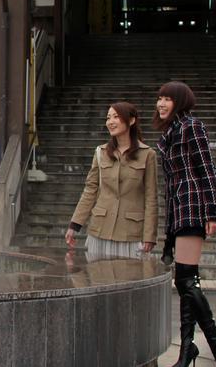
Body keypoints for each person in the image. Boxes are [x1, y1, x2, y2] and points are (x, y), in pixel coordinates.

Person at [155, 81, 216, 367]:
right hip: (178, 210)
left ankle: (215, 344)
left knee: (187, 281)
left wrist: (212, 212)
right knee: (185, 281)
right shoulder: (168, 134)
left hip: (193, 207)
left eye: (167, 99)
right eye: (160, 99)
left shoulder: (192, 126)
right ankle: (190, 347)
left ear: (180, 101)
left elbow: (206, 169)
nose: (161, 104)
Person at [65, 101, 158, 258]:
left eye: (116, 117)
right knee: (98, 278)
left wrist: (150, 235)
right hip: (100, 230)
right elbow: (90, 190)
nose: (110, 122)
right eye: (108, 118)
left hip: (130, 233)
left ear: (131, 120)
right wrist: (75, 225)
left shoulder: (148, 154)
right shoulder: (100, 153)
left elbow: (151, 198)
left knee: (129, 279)